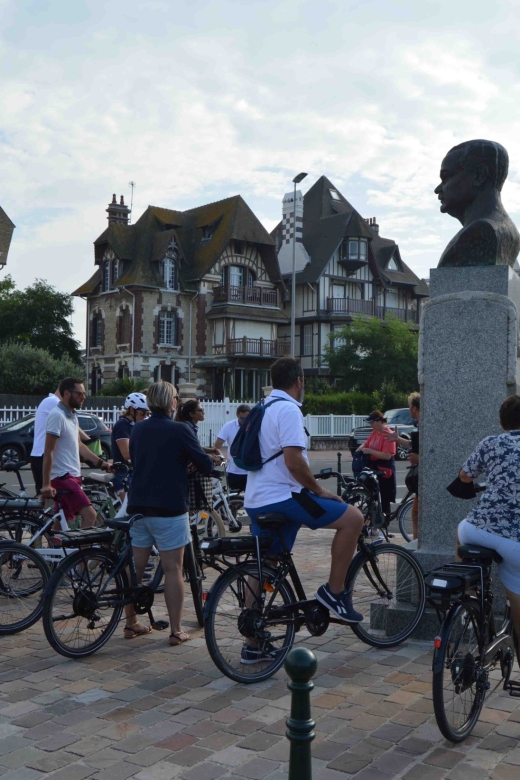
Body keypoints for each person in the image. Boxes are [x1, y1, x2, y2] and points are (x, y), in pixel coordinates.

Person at [245, 357, 364, 658]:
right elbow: (294, 461)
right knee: (353, 518)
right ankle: (334, 593)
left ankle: (252, 641)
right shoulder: (288, 410)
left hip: (256, 498)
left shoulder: (262, 408)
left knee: (266, 565)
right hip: (285, 497)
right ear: (299, 381)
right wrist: (319, 490)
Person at [125, 381, 219, 643]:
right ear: (171, 402)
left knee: (136, 568)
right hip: (169, 508)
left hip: (138, 507)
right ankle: (176, 630)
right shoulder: (179, 429)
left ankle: (131, 622)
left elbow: (135, 458)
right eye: (176, 397)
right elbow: (203, 463)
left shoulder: (139, 429)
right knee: (172, 569)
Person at [457, 394, 520, 668]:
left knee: (461, 530)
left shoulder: (491, 442)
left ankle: (469, 598)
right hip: (515, 543)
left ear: (501, 421)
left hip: (479, 530)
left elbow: (464, 477)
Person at [435, 139, 520, 268]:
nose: (438, 189)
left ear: (479, 176)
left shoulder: (481, 231)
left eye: (446, 177)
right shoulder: (511, 234)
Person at [41, 378, 110, 527]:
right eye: (79, 393)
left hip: (73, 476)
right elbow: (49, 451)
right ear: (66, 393)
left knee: (62, 521)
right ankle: (83, 551)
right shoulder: (57, 415)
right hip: (62, 478)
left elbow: (79, 445)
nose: (83, 397)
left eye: (84, 393)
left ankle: (50, 549)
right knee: (90, 516)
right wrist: (46, 484)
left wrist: (101, 462)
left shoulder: (72, 416)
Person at [175, 400, 223, 514]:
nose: (203, 413)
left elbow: (196, 447)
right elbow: (193, 450)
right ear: (191, 414)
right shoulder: (188, 427)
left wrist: (211, 450)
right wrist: (210, 459)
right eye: (200, 410)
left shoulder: (191, 426)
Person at [388, 392, 420, 539]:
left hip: (423, 476)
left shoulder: (426, 424)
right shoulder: (420, 424)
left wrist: (418, 458)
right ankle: (417, 540)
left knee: (417, 513)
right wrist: (397, 439)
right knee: (415, 512)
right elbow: (412, 444)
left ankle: (418, 541)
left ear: (414, 408)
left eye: (409, 406)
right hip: (420, 476)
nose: (408, 409)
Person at [356, 411, 397, 525]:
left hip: (385, 469)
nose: (371, 425)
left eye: (372, 423)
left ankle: (384, 525)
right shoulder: (375, 432)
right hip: (373, 467)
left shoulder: (387, 433)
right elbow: (366, 443)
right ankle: (372, 522)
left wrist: (370, 451)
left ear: (379, 421)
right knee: (372, 496)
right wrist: (358, 450)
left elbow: (387, 455)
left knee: (384, 497)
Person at [111, 392, 149, 500]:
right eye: (142, 413)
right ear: (132, 410)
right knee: (130, 510)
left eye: (147, 413)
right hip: (124, 472)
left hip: (133, 470)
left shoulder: (135, 425)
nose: (145, 416)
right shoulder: (122, 425)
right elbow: (127, 454)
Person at [214, 404, 251, 493]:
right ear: (237, 415)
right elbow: (217, 445)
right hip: (234, 471)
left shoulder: (254, 426)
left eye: (247, 418)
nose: (244, 421)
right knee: (233, 501)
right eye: (242, 418)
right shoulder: (229, 426)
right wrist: (220, 457)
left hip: (251, 471)